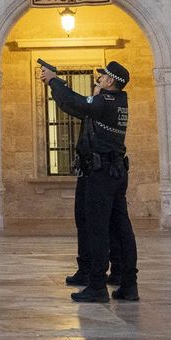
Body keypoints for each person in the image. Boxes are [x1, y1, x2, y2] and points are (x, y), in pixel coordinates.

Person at [40, 60, 138, 302]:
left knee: (98, 228)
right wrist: (59, 85)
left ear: (111, 81)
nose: (99, 79)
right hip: (110, 171)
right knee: (120, 227)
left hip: (102, 173)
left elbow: (77, 103)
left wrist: (53, 80)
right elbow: (74, 106)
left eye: (102, 77)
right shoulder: (116, 102)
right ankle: (127, 283)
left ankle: (97, 285)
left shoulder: (106, 101)